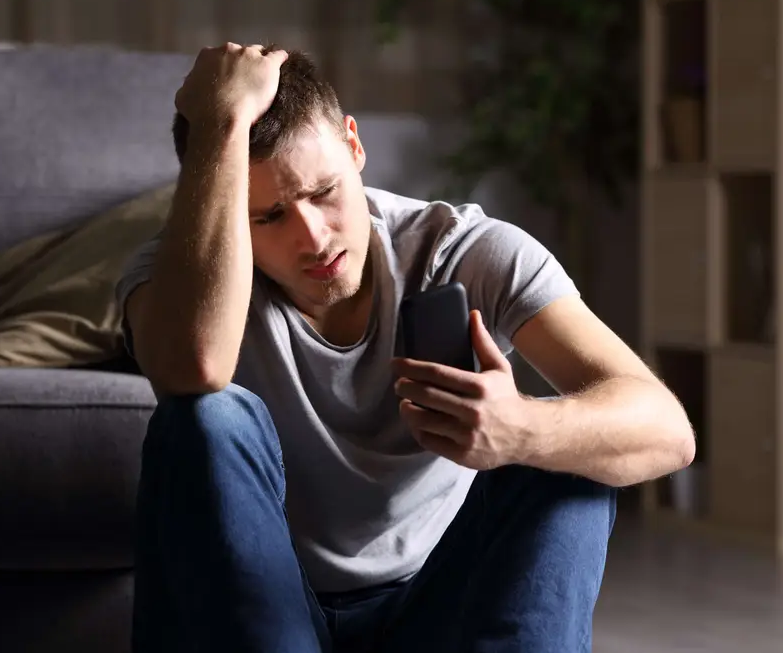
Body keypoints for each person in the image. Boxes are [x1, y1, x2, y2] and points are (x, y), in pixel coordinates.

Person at [116, 43, 695, 653]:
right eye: (270, 217)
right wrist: (220, 121)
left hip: (435, 607)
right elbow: (195, 367)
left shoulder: (464, 250)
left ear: (355, 145)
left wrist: (521, 428)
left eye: (322, 192)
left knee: (569, 453)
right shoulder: (170, 278)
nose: (312, 237)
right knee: (204, 417)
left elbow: (668, 433)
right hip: (270, 617)